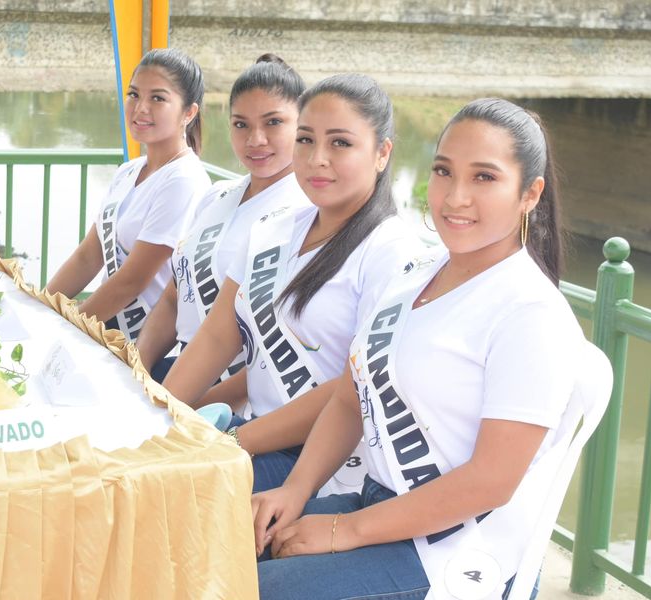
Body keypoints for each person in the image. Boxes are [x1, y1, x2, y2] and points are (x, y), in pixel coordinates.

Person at [252, 98, 583, 600]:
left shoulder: (531, 312)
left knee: (253, 589)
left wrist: (345, 530)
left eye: (484, 177)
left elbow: (490, 481)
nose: (455, 197)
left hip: (458, 556)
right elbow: (350, 398)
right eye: (444, 171)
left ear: (530, 194)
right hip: (380, 508)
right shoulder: (415, 273)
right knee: (215, 545)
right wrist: (295, 490)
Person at [162, 74, 421, 494]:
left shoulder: (393, 253)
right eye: (305, 140)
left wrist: (231, 443)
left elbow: (351, 390)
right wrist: (156, 415)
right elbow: (216, 337)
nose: (317, 158)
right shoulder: (272, 230)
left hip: (326, 472)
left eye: (340, 143)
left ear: (381, 153)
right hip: (253, 439)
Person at [135, 53, 309, 386]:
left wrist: (182, 399)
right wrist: (137, 369)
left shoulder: (306, 215)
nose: (255, 139)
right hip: (179, 374)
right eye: (241, 124)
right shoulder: (217, 197)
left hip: (234, 397)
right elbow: (175, 296)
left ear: (303, 124)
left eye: (273, 122)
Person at [45, 48, 211, 342]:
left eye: (157, 98)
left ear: (189, 112)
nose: (141, 108)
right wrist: (39, 307)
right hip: (106, 331)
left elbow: (131, 281)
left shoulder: (184, 180)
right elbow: (88, 256)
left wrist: (66, 330)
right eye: (134, 94)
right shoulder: (128, 171)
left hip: (145, 347)